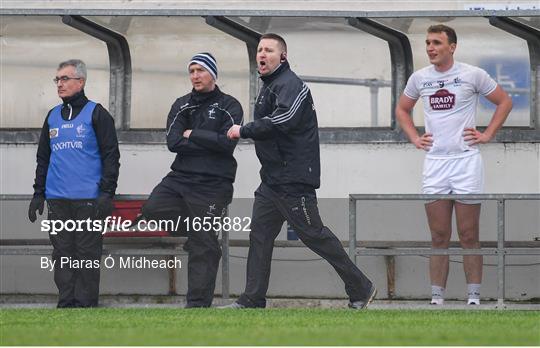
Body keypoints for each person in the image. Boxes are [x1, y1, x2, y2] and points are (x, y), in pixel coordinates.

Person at [224, 33, 376, 309]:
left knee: (314, 235)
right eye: (259, 50)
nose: (262, 54)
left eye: (269, 50)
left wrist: (243, 130)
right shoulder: (270, 85)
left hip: (293, 179)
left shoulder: (291, 84)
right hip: (271, 181)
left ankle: (361, 287)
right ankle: (252, 299)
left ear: (282, 56)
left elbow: (285, 119)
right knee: (259, 235)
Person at [395, 25, 512, 305]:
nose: (430, 48)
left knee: (469, 234)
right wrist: (414, 137)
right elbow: (402, 109)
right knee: (438, 235)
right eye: (427, 43)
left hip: (466, 162)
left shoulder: (472, 74)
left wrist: (487, 134)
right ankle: (437, 298)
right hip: (435, 163)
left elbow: (504, 101)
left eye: (436, 42)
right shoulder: (419, 78)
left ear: (452, 47)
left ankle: (473, 297)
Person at [141, 53, 243, 308]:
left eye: (200, 70)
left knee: (204, 244)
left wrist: (193, 134)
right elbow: (173, 142)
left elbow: (226, 145)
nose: (195, 76)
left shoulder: (230, 105)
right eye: (192, 71)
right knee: (152, 209)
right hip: (181, 178)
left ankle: (197, 306)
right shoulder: (182, 105)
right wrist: (208, 139)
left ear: (213, 74)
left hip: (214, 183)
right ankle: (197, 234)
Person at [28, 59, 120, 308]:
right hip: (58, 199)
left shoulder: (97, 113)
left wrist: (106, 193)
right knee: (62, 253)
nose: (59, 84)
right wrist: (38, 193)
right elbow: (43, 158)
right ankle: (66, 302)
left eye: (65, 79)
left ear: (81, 81)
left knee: (87, 254)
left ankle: (86, 303)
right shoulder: (53, 116)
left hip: (89, 199)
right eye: (57, 79)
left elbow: (111, 157)